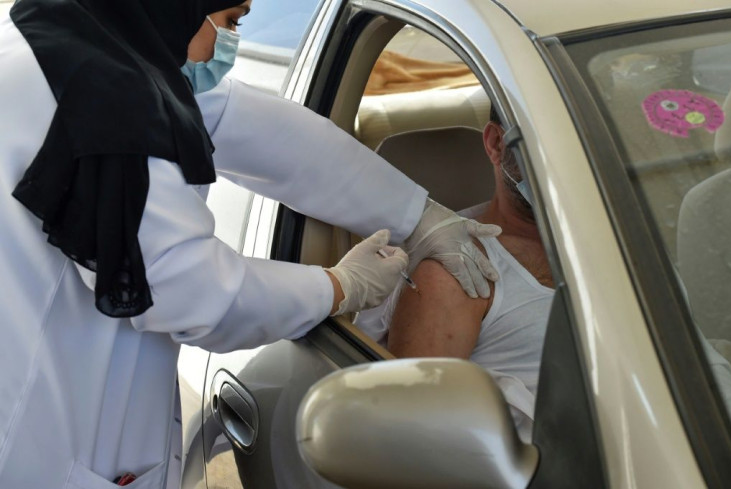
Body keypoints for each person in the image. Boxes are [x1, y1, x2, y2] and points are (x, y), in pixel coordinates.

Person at [0, 1, 500, 488]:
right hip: (43, 445)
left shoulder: (79, 38)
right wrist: (340, 286)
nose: (231, 44)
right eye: (231, 20)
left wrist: (419, 215)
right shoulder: (109, 97)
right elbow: (190, 291)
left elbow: (264, 132)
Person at [357, 110, 553, 443]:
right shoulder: (454, 272)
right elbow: (414, 438)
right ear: (496, 144)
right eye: (546, 140)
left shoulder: (631, 240)